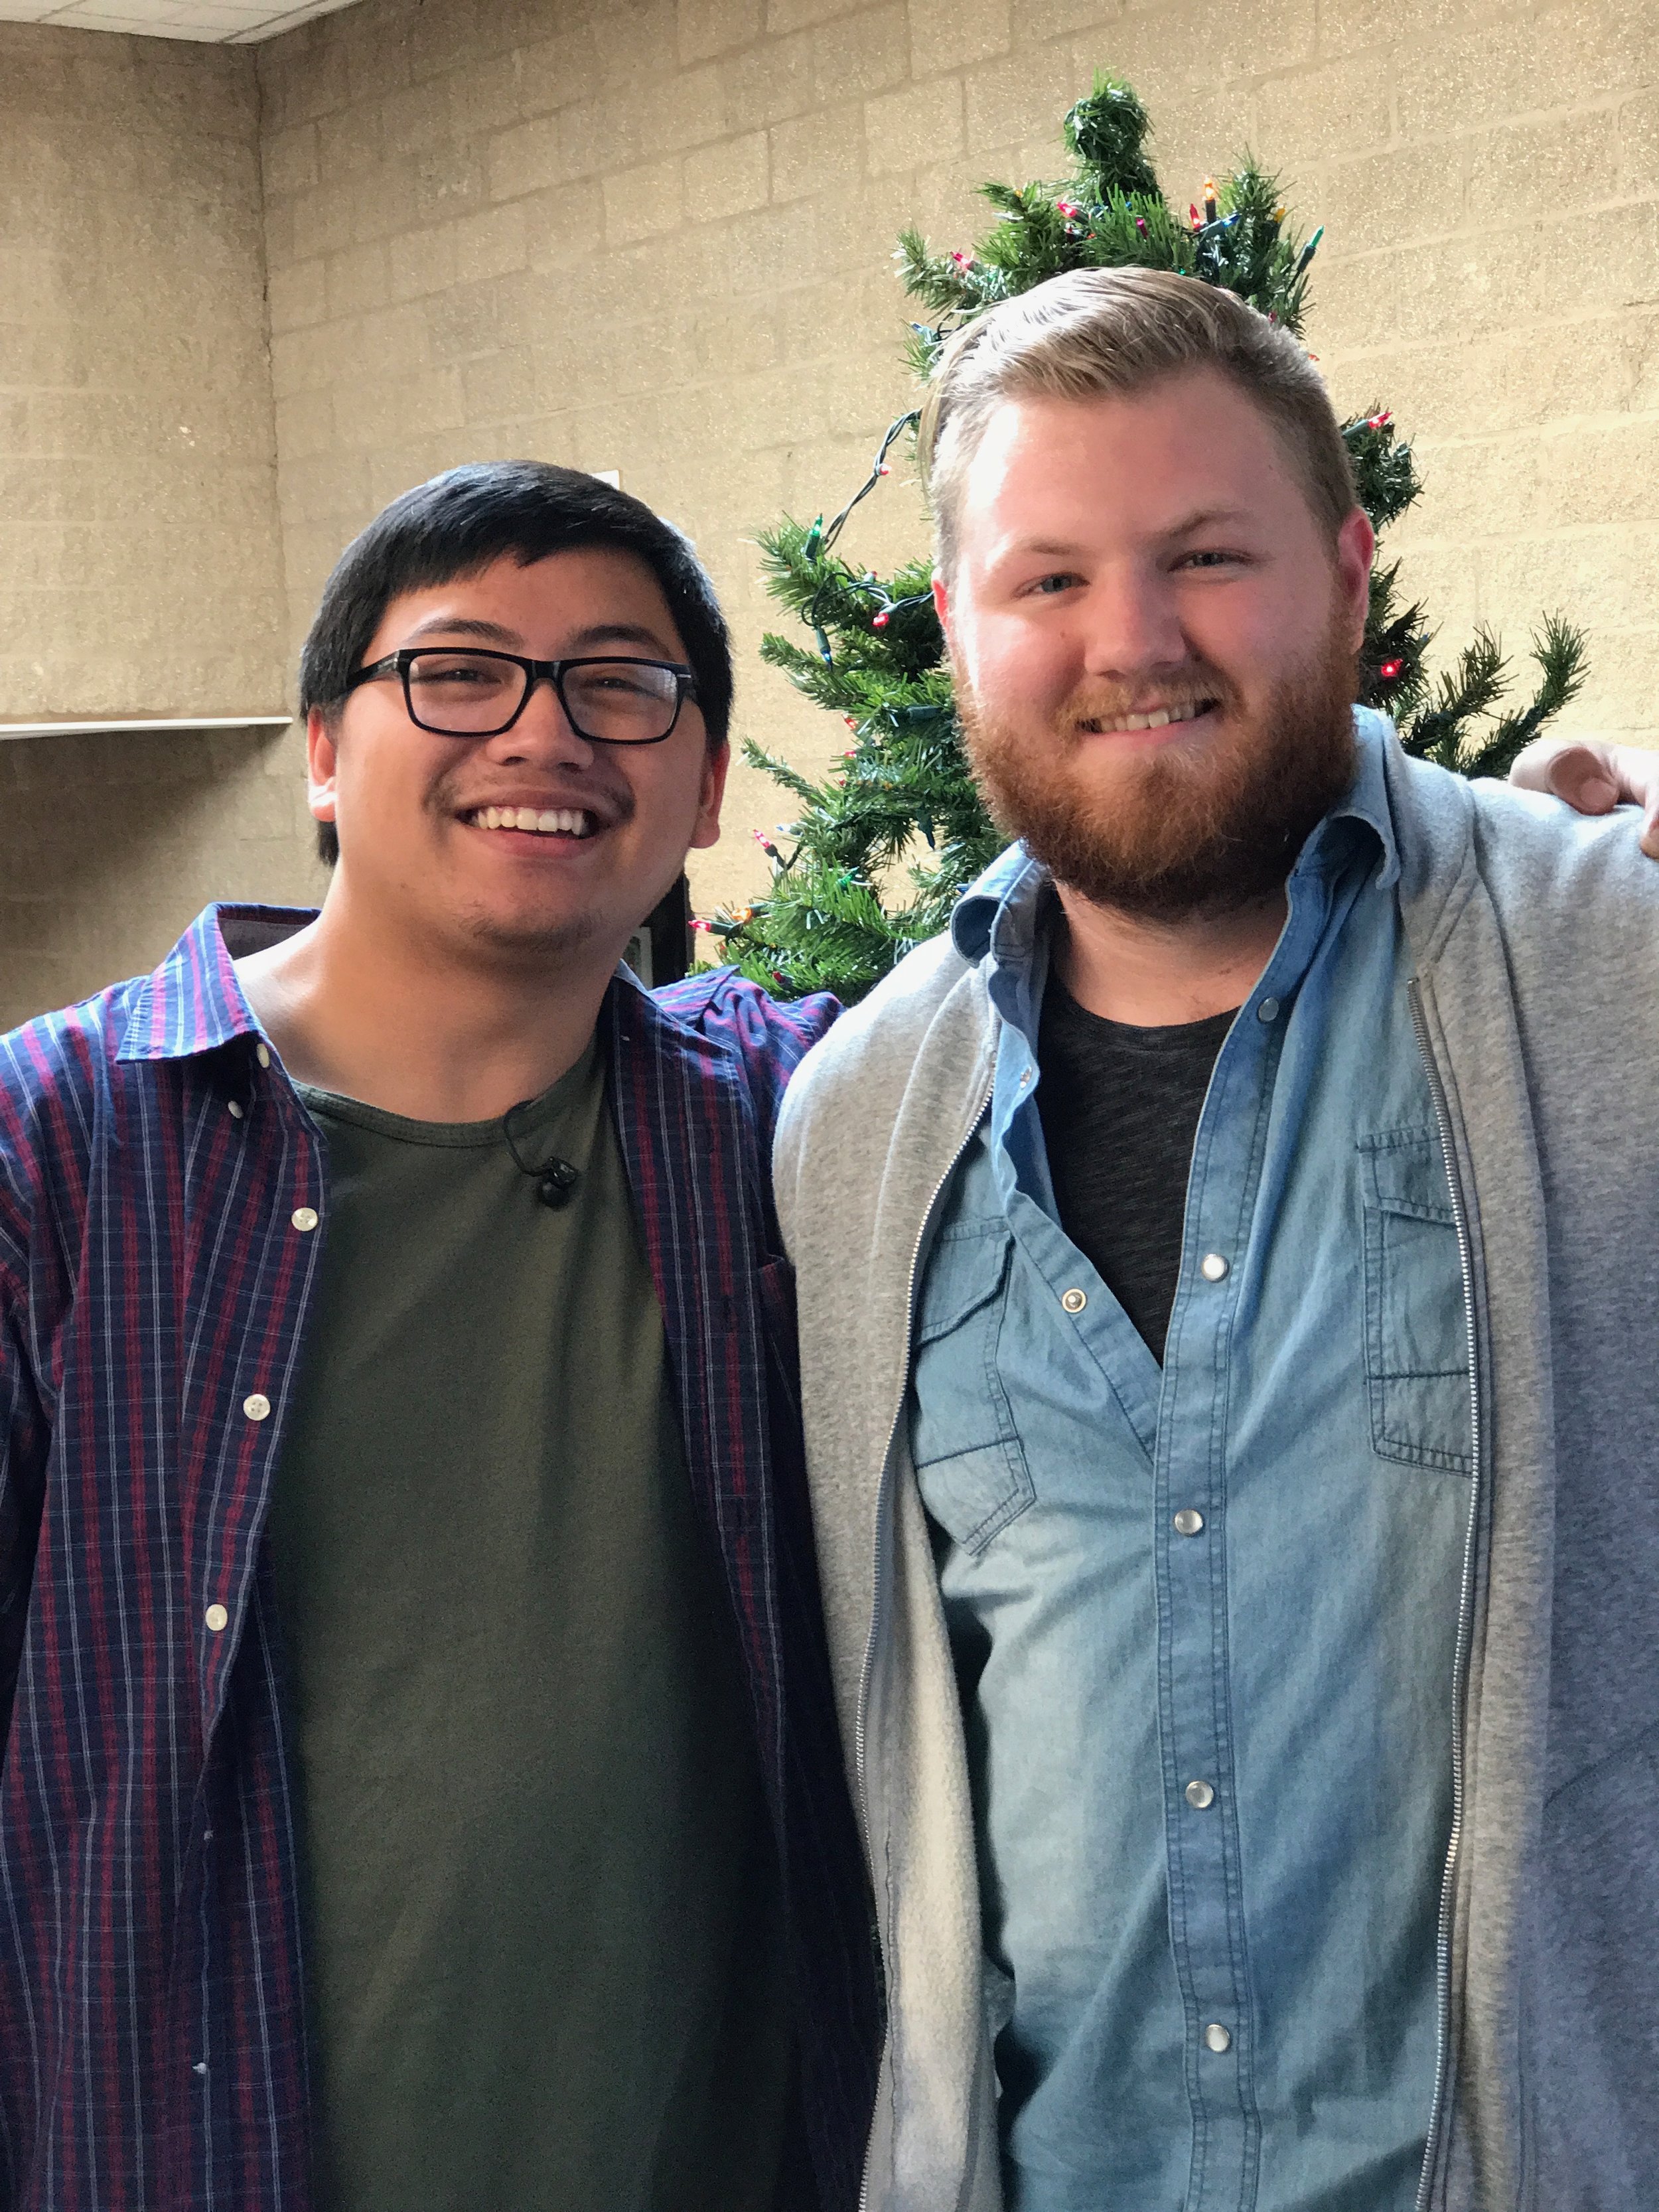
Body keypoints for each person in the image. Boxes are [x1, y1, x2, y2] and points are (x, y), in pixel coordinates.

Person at [772, 267, 1659, 2212]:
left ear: (1346, 575)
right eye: (1048, 581)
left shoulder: (1612, 976)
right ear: (953, 630)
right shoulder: (853, 1126)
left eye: (1203, 556)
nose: (1133, 642)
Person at [0, 463, 880, 2212]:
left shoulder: (790, 1126)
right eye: (460, 670)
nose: (542, 735)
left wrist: (1547, 856)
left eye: (620, 683)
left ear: (704, 785)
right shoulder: (58, 1154)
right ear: (324, 749)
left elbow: (1122, 989)